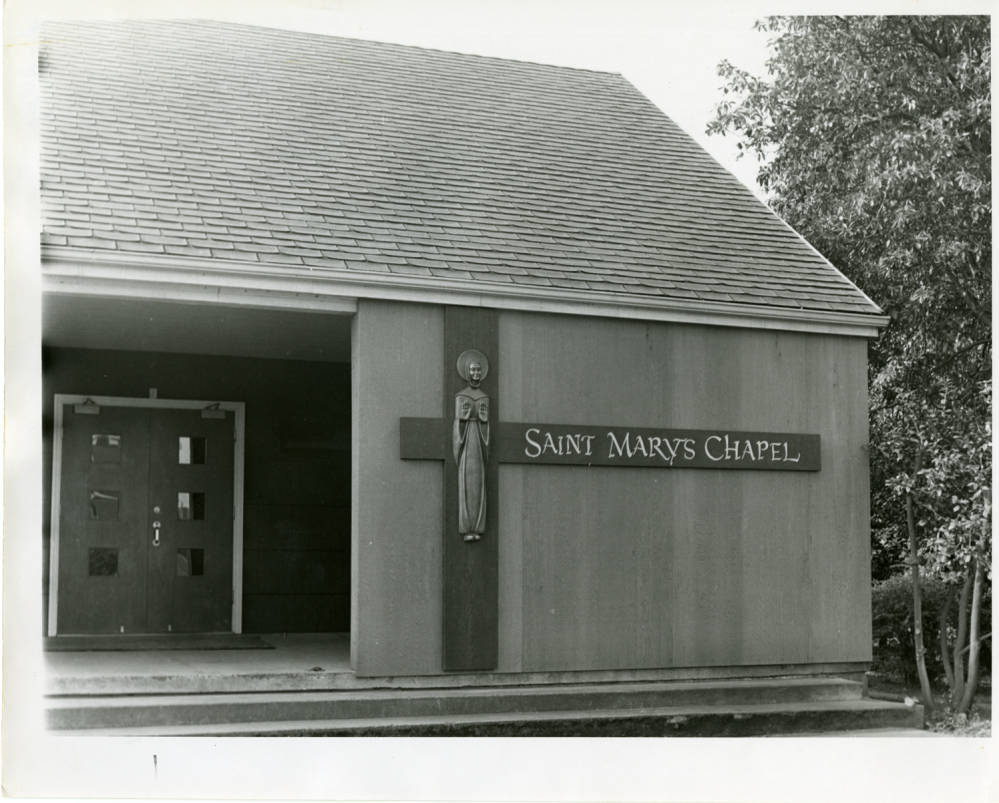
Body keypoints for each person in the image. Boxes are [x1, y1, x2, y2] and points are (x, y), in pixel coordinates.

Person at [453, 353, 489, 541]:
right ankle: (467, 526)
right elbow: (457, 423)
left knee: (479, 482)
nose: (476, 373)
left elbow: (486, 423)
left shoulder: (484, 397)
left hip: (479, 442)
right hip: (467, 442)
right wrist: (462, 419)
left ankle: (478, 526)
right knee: (467, 481)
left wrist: (483, 421)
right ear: (467, 373)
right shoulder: (461, 396)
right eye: (473, 370)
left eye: (478, 370)